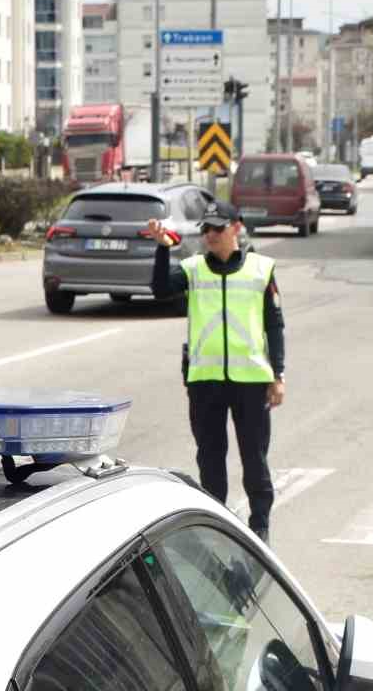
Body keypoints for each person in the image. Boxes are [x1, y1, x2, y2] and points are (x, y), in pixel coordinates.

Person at [147, 201, 286, 544]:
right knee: (210, 457)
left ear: (236, 227)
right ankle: (217, 525)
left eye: (217, 228)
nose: (210, 235)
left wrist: (278, 374)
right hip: (205, 381)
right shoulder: (194, 269)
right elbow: (161, 288)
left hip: (251, 381)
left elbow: (274, 324)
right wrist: (162, 250)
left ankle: (260, 525)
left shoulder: (260, 269)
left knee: (254, 457)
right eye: (206, 229)